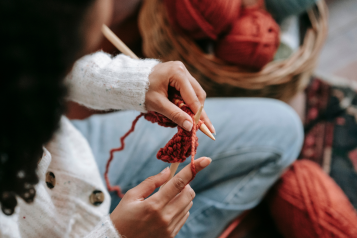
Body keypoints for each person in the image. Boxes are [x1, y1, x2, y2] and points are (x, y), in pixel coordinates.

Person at [0, 0, 303, 237]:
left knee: (283, 129)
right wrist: (118, 234)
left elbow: (43, 57)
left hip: (71, 160)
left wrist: (137, 82)